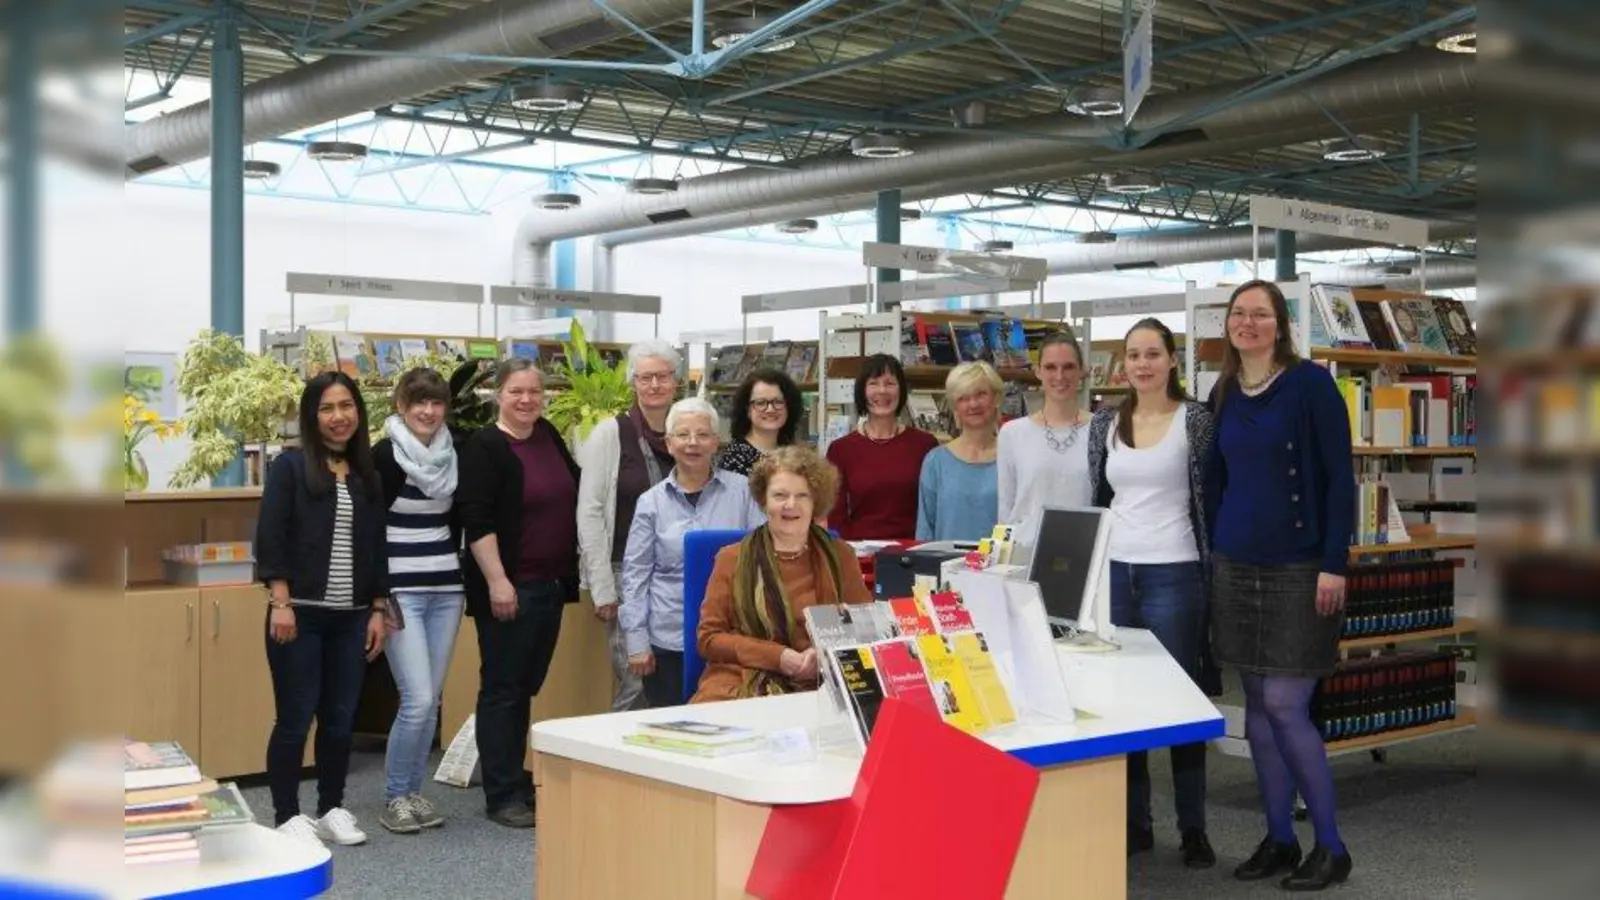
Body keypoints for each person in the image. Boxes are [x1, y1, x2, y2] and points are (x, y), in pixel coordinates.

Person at [1206, 280, 1356, 890]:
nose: (1248, 324)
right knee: (1258, 713)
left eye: (1260, 315)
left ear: (1281, 323)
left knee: (1287, 707)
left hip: (1300, 567)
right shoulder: (1222, 390)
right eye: (1239, 314)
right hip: (1237, 566)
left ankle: (1332, 846)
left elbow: (1339, 477)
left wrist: (1333, 563)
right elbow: (1215, 479)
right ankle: (1279, 837)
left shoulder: (1310, 385)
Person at [1086, 318, 1217, 869]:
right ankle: (1136, 823)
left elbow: (1209, 493)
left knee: (1180, 704)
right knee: (1124, 706)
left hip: (1175, 571)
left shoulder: (1196, 420)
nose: (1142, 364)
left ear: (1171, 361)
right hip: (1116, 572)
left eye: (1153, 354)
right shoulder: (1104, 424)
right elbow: (1098, 493)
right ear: (1123, 366)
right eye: (1133, 355)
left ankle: (1194, 829)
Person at [256, 371, 389, 848]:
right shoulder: (290, 468)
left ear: (359, 412)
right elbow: (271, 538)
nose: (339, 417)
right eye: (328, 408)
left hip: (351, 616)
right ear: (313, 416)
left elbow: (375, 547)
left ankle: (332, 807)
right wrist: (280, 601)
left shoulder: (366, 474)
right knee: (295, 715)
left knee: (340, 718)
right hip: (300, 612)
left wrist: (376, 607)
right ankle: (287, 814)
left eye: (347, 406)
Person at [458, 359, 581, 829]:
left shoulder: (548, 434)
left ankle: (514, 778)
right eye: (516, 391)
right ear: (498, 395)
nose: (527, 399)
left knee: (525, 686)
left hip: (550, 585)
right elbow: (477, 518)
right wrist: (497, 580)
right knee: (504, 690)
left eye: (534, 390)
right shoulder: (484, 447)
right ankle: (502, 793)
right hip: (509, 588)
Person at [692, 447, 872, 702]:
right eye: (780, 495)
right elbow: (709, 639)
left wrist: (822, 652)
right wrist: (778, 658)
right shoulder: (731, 559)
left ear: (816, 502)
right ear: (764, 501)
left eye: (802, 496)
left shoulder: (840, 555)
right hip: (740, 681)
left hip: (821, 683)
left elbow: (865, 626)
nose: (791, 505)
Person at [622, 398, 766, 707]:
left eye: (702, 434)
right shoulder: (651, 502)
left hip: (732, 636)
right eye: (683, 435)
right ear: (669, 443)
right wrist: (636, 641)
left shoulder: (744, 492)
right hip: (668, 638)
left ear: (716, 441)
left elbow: (763, 560)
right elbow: (635, 575)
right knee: (670, 734)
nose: (693, 443)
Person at [371, 368, 462, 835]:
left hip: (447, 589)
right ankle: (394, 797)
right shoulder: (386, 455)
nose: (428, 412)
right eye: (418, 403)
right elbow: (368, 529)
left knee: (432, 701)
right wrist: (379, 594)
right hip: (400, 591)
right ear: (401, 406)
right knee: (417, 698)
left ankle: (412, 792)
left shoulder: (452, 454)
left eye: (436, 402)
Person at [576, 339, 682, 713]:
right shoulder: (611, 433)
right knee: (636, 678)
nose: (654, 385)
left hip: (677, 577)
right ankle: (615, 760)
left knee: (670, 678)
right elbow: (589, 511)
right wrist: (603, 588)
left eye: (663, 377)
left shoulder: (686, 433)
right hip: (625, 575)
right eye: (646, 377)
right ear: (633, 382)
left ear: (675, 381)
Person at [825, 354, 939, 539]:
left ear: (901, 390)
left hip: (912, 552)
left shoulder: (925, 445)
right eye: (873, 383)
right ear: (861, 391)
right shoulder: (840, 450)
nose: (882, 391)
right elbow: (835, 515)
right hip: (860, 553)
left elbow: (933, 509)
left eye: (890, 383)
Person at [997, 330, 1093, 536]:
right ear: (1038, 371)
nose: (1059, 376)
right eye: (1050, 367)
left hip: (1085, 551)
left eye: (1068, 367)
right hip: (1025, 553)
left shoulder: (1103, 430)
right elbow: (1005, 509)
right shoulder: (1012, 434)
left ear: (1082, 371)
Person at [917, 361, 1002, 542]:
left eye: (981, 394)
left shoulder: (1013, 458)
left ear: (995, 398)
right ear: (954, 407)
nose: (973, 404)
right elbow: (925, 530)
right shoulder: (935, 462)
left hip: (1001, 568)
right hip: (947, 567)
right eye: (963, 398)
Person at [719, 368, 805, 476]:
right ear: (747, 410)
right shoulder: (735, 460)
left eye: (778, 402)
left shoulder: (793, 452)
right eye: (760, 403)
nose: (770, 409)